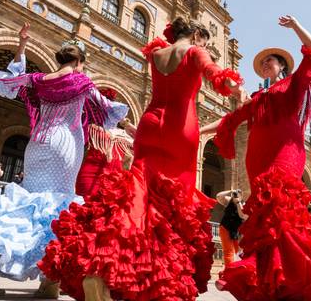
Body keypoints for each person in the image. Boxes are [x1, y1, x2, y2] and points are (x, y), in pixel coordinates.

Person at [38, 17, 244, 301]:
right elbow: (215, 74)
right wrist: (235, 88)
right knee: (171, 207)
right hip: (179, 130)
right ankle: (152, 277)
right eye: (205, 41)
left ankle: (100, 269)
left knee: (136, 196)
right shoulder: (196, 50)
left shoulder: (157, 53)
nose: (204, 46)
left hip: (149, 124)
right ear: (197, 35)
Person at [0, 22, 128, 298]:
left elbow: (10, 81)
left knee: (25, 206)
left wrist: (22, 45)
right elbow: (106, 109)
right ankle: (49, 280)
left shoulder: (38, 80)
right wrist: (129, 128)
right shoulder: (81, 81)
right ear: (80, 61)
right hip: (64, 145)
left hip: (37, 143)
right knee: (58, 209)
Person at [201, 15, 311, 301]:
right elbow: (229, 120)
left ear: (282, 66)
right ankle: (276, 284)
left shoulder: (293, 84)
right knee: (266, 223)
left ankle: (306, 279)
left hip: (285, 155)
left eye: (270, 61)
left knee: (282, 214)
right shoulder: (258, 98)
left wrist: (296, 25)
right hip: (257, 161)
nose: (265, 65)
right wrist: (194, 130)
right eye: (262, 63)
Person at [74, 87, 135, 197]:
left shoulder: (123, 136)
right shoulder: (92, 128)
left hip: (114, 185)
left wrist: (125, 122)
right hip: (89, 177)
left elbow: (142, 139)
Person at [216, 189, 249, 267]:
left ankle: (242, 270)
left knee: (240, 252)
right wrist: (230, 191)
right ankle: (229, 271)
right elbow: (218, 196)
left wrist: (238, 202)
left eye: (238, 194)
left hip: (237, 231)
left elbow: (242, 215)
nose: (236, 196)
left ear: (241, 196)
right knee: (228, 251)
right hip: (225, 228)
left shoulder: (243, 204)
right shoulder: (229, 201)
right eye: (235, 194)